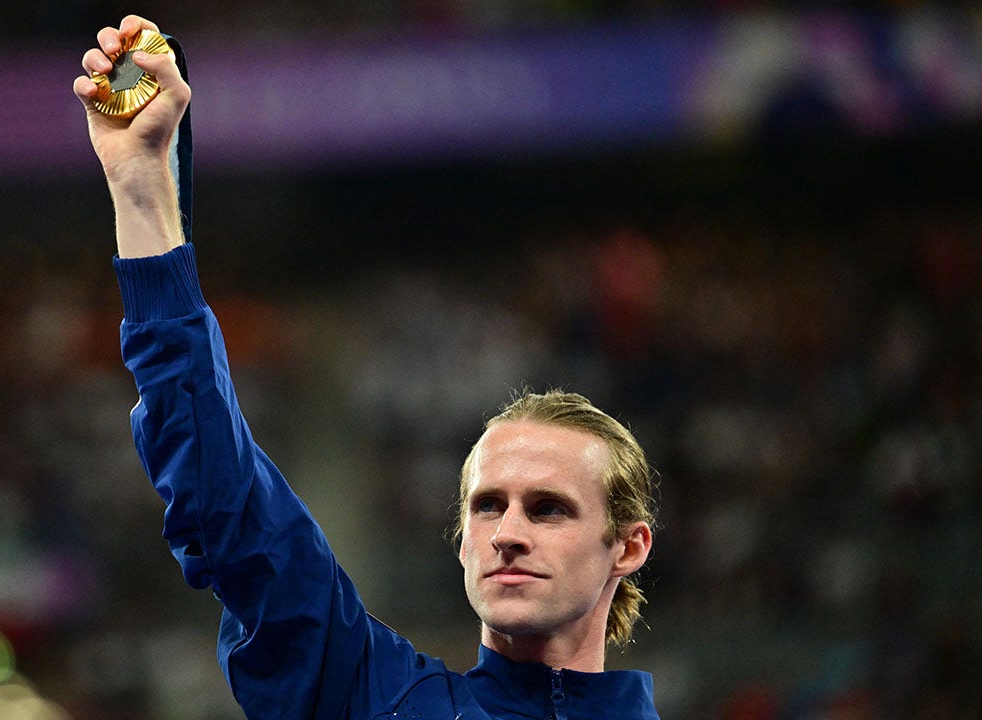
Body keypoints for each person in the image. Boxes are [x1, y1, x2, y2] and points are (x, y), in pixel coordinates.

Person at [74, 15, 661, 719]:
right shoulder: (369, 695)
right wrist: (142, 189)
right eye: (486, 506)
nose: (507, 533)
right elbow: (229, 506)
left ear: (628, 546)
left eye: (549, 509)